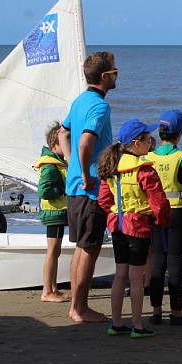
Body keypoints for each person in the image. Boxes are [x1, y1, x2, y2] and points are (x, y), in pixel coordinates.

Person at [58, 51, 117, 323]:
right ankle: (79, 308)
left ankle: (76, 307)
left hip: (76, 187)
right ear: (104, 77)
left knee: (82, 247)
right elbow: (84, 142)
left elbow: (62, 132)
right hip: (90, 188)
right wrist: (85, 173)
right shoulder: (99, 105)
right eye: (115, 72)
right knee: (90, 247)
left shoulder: (80, 100)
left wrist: (71, 165)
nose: (117, 76)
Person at [98, 119, 170, 338]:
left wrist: (115, 211)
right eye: (148, 140)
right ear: (136, 143)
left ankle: (117, 323)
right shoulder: (144, 170)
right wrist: (161, 221)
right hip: (138, 226)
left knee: (120, 275)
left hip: (118, 225)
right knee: (137, 277)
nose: (151, 143)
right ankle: (137, 325)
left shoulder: (111, 167)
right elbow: (159, 202)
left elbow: (103, 200)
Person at [146, 109, 182, 326]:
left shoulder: (147, 157)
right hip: (177, 212)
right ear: (178, 135)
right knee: (175, 263)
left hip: (154, 213)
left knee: (158, 261)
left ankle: (156, 312)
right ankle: (176, 314)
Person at [35, 121, 70, 303]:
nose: (68, 146)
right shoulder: (50, 165)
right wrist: (62, 190)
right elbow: (44, 191)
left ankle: (53, 288)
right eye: (65, 143)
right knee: (52, 252)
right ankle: (47, 291)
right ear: (54, 145)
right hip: (53, 213)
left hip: (58, 212)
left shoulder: (57, 162)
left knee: (55, 252)